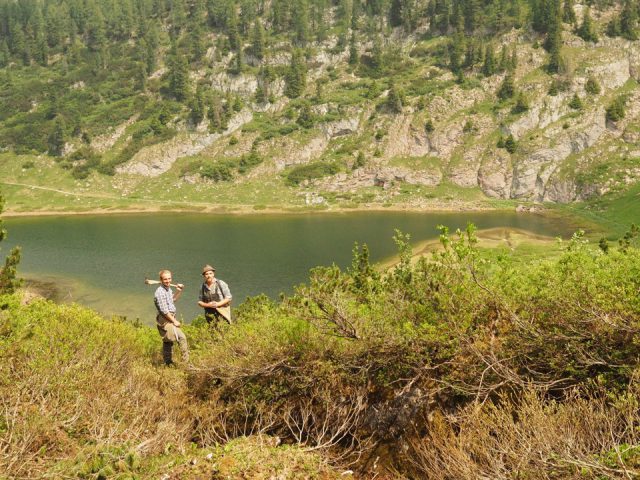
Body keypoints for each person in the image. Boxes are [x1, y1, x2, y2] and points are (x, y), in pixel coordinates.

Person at [154, 269, 189, 366]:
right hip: (165, 319)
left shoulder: (168, 289)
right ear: (161, 280)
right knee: (182, 337)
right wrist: (174, 321)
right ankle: (185, 363)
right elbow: (165, 311)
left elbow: (172, 300)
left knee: (168, 341)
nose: (168, 281)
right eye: (165, 279)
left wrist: (179, 291)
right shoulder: (160, 292)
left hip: (169, 317)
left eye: (169, 278)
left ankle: (167, 362)